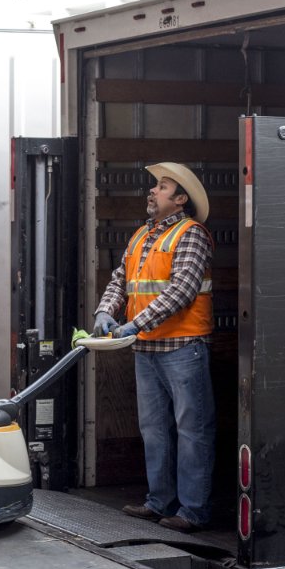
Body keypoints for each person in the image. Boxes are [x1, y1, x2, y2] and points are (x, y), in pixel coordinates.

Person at [94, 162, 214, 533]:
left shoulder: (190, 235)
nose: (152, 191)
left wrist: (133, 323)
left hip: (182, 348)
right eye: (154, 186)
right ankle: (159, 501)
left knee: (192, 430)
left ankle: (192, 511)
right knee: (154, 429)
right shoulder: (141, 236)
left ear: (180, 200)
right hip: (147, 349)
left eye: (162, 187)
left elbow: (181, 291)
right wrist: (104, 311)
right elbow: (120, 281)